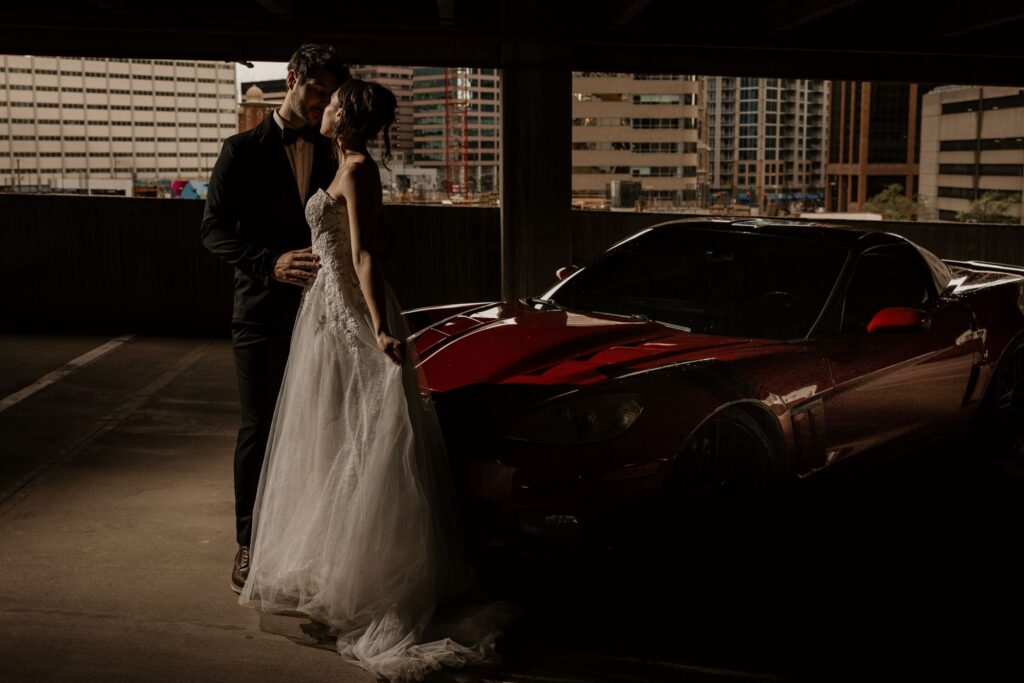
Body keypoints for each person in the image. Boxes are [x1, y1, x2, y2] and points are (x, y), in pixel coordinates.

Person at [239, 79, 514, 682]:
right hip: (323, 314)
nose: (324, 108)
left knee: (368, 441)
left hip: (351, 314)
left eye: (332, 103)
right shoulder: (345, 163)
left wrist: (382, 327)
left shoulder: (360, 169)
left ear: (349, 115)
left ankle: (369, 577)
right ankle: (333, 566)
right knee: (331, 439)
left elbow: (365, 255)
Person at [200, 44, 351, 593]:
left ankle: (305, 538)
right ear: (292, 78)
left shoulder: (335, 149)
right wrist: (269, 263)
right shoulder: (241, 150)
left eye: (331, 96)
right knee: (259, 428)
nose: (322, 104)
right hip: (261, 312)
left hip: (324, 312)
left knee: (319, 426)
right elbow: (213, 229)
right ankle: (248, 543)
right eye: (316, 91)